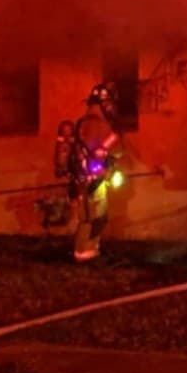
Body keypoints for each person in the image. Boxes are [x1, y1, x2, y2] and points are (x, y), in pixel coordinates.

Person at [70, 84, 124, 261]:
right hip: (94, 179)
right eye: (109, 104)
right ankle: (85, 251)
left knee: (91, 216)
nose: (111, 108)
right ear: (104, 104)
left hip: (86, 179)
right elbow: (114, 150)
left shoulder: (83, 123)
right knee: (95, 216)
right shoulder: (101, 125)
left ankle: (87, 249)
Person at [35, 120, 77, 233]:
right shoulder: (60, 146)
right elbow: (59, 160)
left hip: (73, 177)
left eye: (69, 132)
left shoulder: (76, 145)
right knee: (59, 201)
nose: (67, 136)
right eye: (64, 132)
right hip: (62, 176)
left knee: (71, 202)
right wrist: (61, 169)